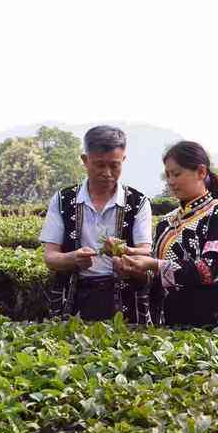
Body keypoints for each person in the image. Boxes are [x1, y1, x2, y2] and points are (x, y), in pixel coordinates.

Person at [116, 140, 218, 333]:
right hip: (169, 325)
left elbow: (210, 270)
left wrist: (153, 264)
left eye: (177, 174)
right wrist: (133, 266)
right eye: (167, 175)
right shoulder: (166, 222)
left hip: (213, 328)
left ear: (201, 172)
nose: (171, 182)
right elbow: (156, 278)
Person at [39, 125, 153, 324]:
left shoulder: (139, 202)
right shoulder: (62, 200)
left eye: (114, 165)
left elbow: (146, 253)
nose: (107, 173)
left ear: (123, 160)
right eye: (99, 165)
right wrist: (72, 258)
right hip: (75, 299)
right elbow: (50, 257)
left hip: (125, 302)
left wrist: (123, 254)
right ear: (85, 160)